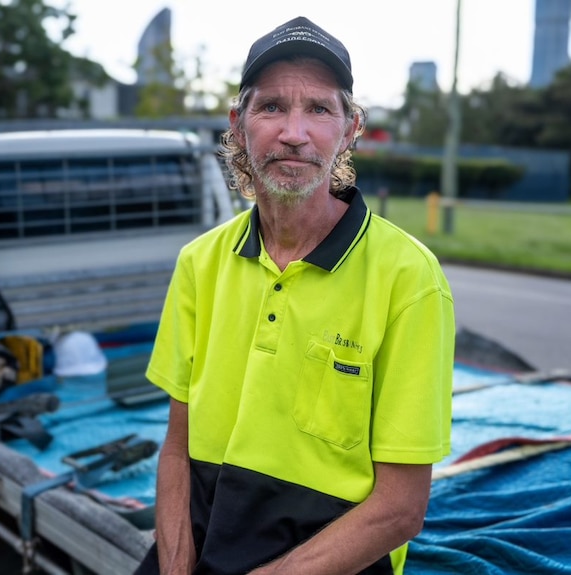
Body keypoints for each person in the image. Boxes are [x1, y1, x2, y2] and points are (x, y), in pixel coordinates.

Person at [135, 15, 455, 575]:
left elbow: (400, 510)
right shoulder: (199, 263)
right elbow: (177, 449)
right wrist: (176, 566)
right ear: (238, 124)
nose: (294, 133)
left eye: (320, 109)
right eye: (272, 107)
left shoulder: (410, 279)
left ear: (351, 128)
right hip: (201, 546)